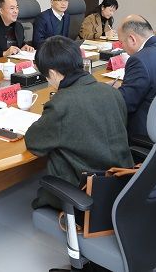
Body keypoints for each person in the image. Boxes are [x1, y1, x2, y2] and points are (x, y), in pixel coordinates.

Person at [25, 36, 133, 210]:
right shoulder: (112, 92)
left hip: (85, 192)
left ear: (53, 73)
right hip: (122, 185)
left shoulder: (61, 103)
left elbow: (34, 143)